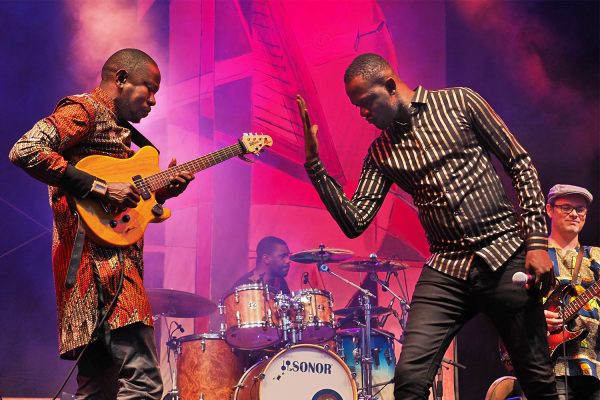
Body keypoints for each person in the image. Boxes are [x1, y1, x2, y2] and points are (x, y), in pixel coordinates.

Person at [296, 53, 558, 399]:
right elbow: (355, 220)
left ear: (390, 86)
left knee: (536, 376)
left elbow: (519, 162)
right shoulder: (380, 153)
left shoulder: (460, 102)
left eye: (366, 103)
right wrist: (315, 167)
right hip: (447, 268)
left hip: (503, 250)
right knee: (409, 380)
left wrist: (537, 241)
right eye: (356, 107)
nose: (362, 114)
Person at [9, 48, 194, 399]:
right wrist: (100, 187)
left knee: (98, 391)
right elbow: (26, 149)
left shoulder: (122, 134)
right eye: (149, 88)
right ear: (121, 79)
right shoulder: (85, 110)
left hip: (98, 276)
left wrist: (161, 196)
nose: (153, 100)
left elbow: (121, 206)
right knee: (144, 384)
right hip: (105, 272)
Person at [544, 184, 600, 399]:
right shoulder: (533, 254)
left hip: (594, 365)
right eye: (566, 207)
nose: (575, 214)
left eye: (580, 209)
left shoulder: (596, 256)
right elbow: (507, 303)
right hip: (549, 367)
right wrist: (534, 317)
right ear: (549, 209)